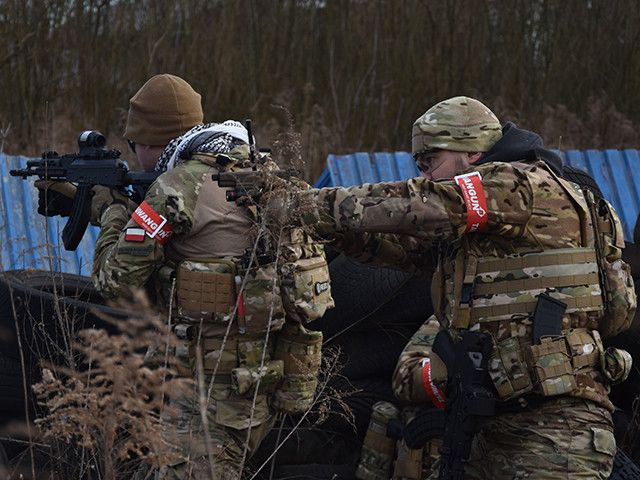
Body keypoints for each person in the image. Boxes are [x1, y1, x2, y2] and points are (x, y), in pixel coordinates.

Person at [272, 96, 636, 479]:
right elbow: (401, 248)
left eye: (431, 162)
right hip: (496, 426)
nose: (426, 176)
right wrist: (329, 226)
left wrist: (299, 204)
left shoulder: (522, 185)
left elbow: (422, 204)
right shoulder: (485, 229)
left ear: (472, 155)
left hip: (554, 431)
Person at [44, 73, 334, 479]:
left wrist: (112, 212)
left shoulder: (176, 186)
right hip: (260, 379)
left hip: (208, 392)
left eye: (135, 146)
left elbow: (114, 280)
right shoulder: (259, 169)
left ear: (151, 143)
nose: (135, 156)